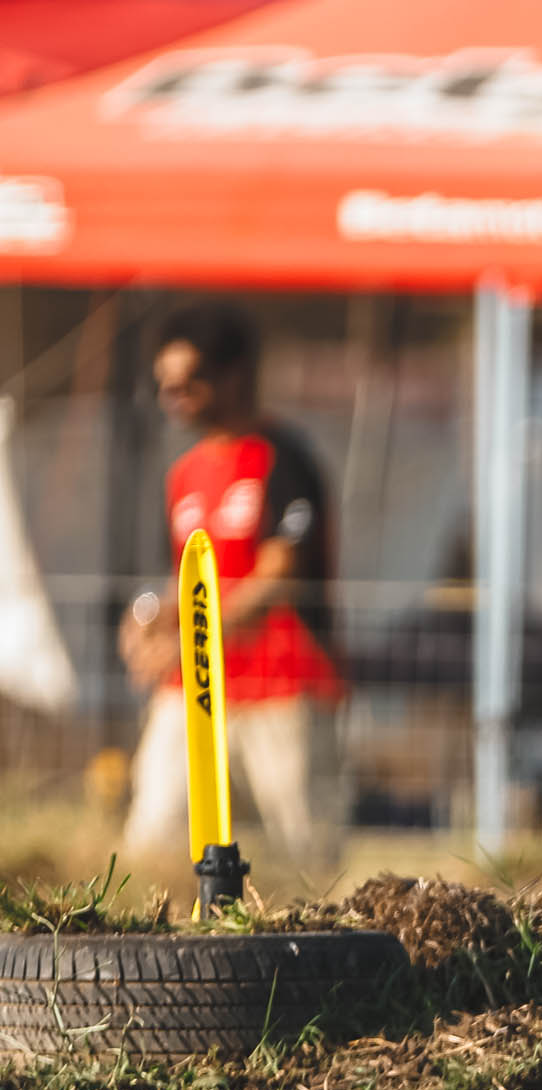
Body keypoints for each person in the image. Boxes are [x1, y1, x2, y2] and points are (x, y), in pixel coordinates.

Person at [117, 301, 344, 876]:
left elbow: (278, 576)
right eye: (164, 384)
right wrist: (148, 618)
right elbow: (181, 579)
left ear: (235, 374)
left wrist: (192, 639)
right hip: (193, 691)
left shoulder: (283, 459)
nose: (172, 397)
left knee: (307, 857)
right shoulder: (184, 474)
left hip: (281, 688)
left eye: (188, 382)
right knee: (150, 845)